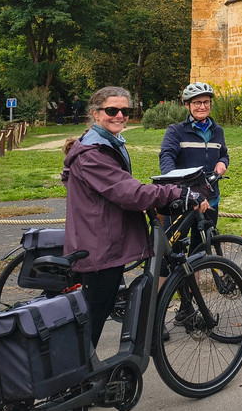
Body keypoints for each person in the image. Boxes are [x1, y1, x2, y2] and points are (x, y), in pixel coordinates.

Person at [61, 86, 193, 348]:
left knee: (98, 309)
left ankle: (83, 374)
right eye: (112, 110)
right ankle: (80, 380)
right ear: (96, 113)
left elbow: (119, 188)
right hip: (100, 243)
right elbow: (128, 192)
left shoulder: (105, 142)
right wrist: (175, 191)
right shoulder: (93, 153)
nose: (119, 115)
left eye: (125, 110)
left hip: (104, 235)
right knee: (94, 315)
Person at [159, 82, 228, 250]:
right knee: (171, 252)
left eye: (206, 102)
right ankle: (167, 278)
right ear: (187, 105)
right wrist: (178, 185)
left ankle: (193, 277)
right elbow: (166, 157)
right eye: (197, 103)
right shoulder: (176, 131)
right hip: (183, 199)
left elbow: (223, 154)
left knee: (200, 249)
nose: (202, 106)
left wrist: (223, 162)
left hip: (210, 199)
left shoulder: (217, 131)